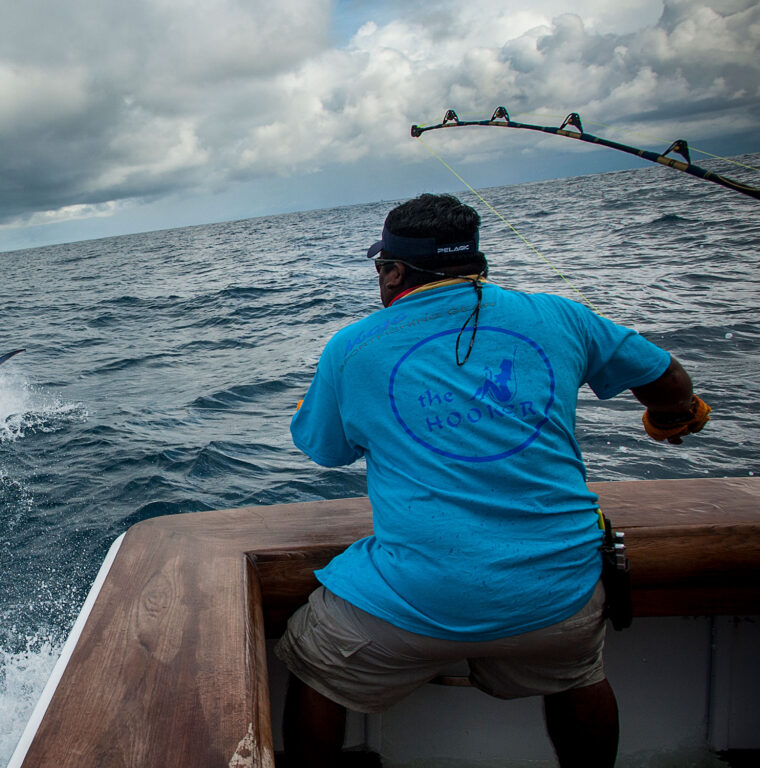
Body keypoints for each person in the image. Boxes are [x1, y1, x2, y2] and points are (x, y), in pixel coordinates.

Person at [275, 193, 710, 768]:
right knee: (577, 670)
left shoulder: (351, 348)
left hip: (419, 597)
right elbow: (667, 378)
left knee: (316, 662)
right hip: (562, 592)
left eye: (382, 267)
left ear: (395, 271)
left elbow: (326, 451)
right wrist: (674, 417)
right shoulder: (560, 315)